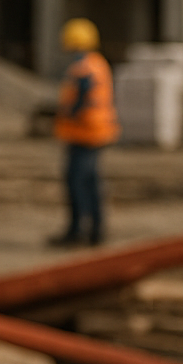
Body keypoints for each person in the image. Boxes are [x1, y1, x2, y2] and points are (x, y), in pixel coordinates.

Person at [49, 18, 117, 247]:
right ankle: (96, 231)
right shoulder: (98, 64)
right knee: (91, 183)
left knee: (77, 183)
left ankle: (77, 231)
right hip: (96, 132)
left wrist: (67, 113)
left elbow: (80, 99)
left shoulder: (82, 68)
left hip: (83, 133)